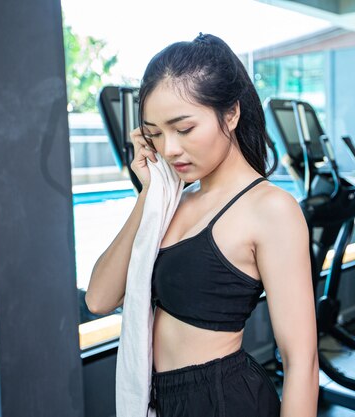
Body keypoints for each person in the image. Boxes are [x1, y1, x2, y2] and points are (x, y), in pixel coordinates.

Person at [86, 33, 318, 417]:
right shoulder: (172, 202)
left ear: (231, 113)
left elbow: (302, 363)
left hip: (223, 401)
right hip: (163, 398)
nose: (169, 148)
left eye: (184, 128)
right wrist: (149, 193)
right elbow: (98, 298)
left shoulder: (271, 209)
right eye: (155, 133)